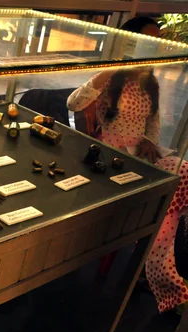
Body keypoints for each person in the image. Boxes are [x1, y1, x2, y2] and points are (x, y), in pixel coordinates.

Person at [67, 17, 188, 313]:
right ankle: (160, 270)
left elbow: (153, 122)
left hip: (140, 152)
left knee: (183, 176)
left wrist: (149, 141)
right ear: (131, 41)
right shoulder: (115, 76)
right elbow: (73, 103)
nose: (155, 45)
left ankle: (160, 260)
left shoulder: (151, 82)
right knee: (168, 197)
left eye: (158, 39)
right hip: (112, 151)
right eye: (148, 39)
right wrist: (111, 68)